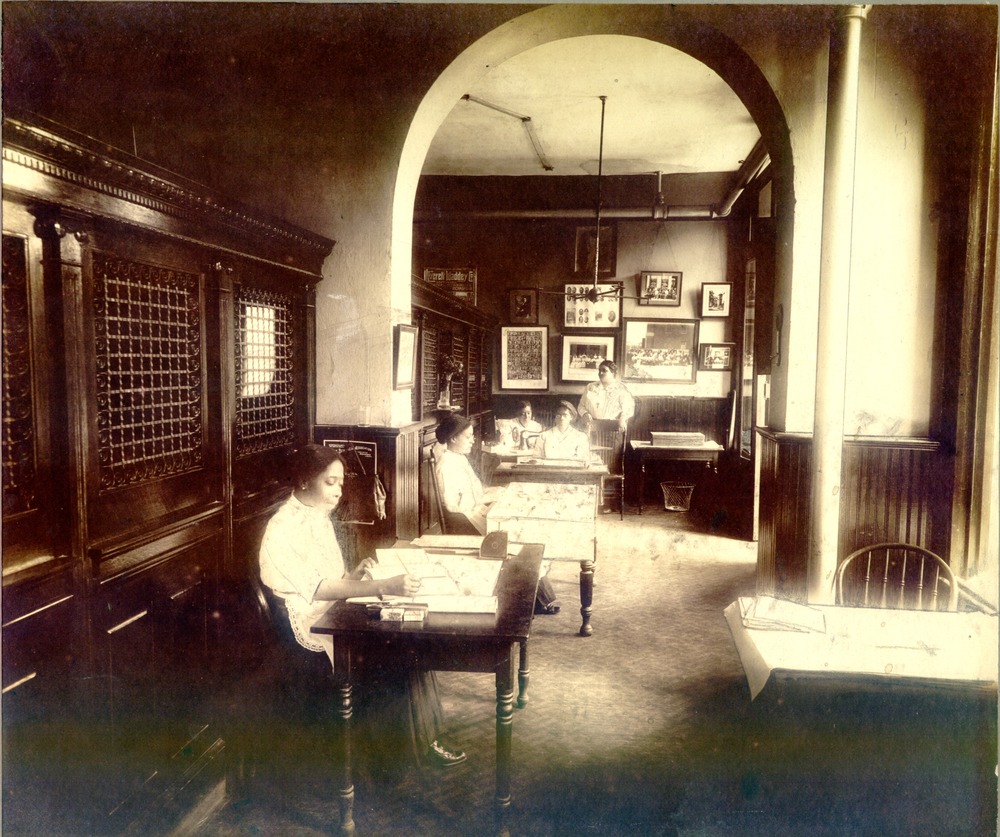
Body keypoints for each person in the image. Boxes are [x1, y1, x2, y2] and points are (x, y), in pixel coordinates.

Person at [259, 444, 466, 771]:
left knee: (410, 643)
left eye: (341, 482)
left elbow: (330, 577)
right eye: (330, 482)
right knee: (399, 652)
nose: (339, 491)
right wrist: (383, 586)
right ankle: (404, 751)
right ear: (302, 481)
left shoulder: (317, 515)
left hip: (329, 609)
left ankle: (422, 739)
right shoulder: (283, 527)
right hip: (306, 625)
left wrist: (354, 576)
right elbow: (318, 588)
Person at [434, 413, 560, 615]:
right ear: (453, 438)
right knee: (520, 534)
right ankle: (536, 598)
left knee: (524, 523)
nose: (473, 440)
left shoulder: (459, 459)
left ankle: (537, 594)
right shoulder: (446, 465)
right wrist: (484, 499)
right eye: (468, 437)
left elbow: (475, 491)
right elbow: (453, 506)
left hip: (476, 513)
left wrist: (494, 493)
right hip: (466, 521)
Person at [578, 359, 635, 432]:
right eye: (599, 370)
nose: (600, 373)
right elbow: (581, 405)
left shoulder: (621, 389)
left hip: (612, 429)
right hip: (591, 427)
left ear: (612, 372)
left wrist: (622, 419)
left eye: (604, 370)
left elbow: (628, 408)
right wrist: (585, 414)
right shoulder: (590, 387)